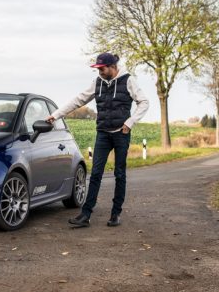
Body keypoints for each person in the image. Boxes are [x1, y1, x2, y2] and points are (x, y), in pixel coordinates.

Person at [46, 52, 149, 227]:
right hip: (103, 133)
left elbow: (144, 102)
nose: (99, 72)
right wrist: (55, 115)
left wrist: (130, 122)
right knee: (95, 175)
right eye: (97, 69)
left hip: (121, 133)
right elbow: (78, 100)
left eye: (102, 69)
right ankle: (85, 215)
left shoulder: (128, 81)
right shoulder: (97, 82)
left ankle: (115, 214)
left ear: (113, 67)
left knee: (119, 174)